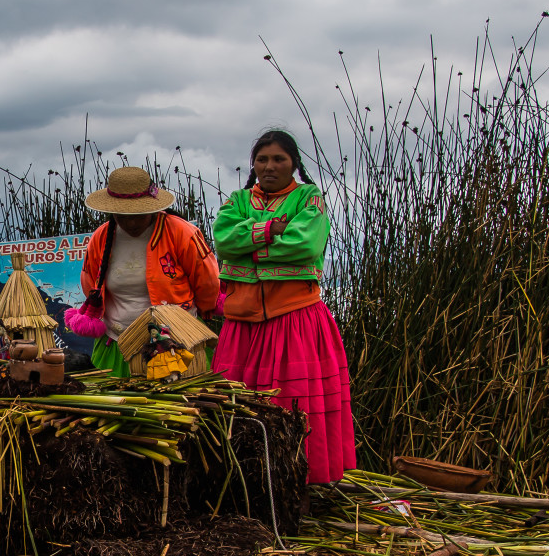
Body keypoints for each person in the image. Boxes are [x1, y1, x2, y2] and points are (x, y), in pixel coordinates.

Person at [211, 130, 356, 485]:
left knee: (293, 404)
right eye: (262, 159)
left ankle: (297, 481)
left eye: (279, 159)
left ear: (293, 163)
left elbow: (305, 245)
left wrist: (250, 245)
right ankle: (244, 484)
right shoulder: (238, 199)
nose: (270, 166)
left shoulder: (309, 198)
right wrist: (271, 230)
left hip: (293, 319)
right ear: (253, 165)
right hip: (242, 324)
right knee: (237, 405)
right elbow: (224, 241)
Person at [67, 166, 219, 376]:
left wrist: (200, 313)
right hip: (118, 342)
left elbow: (207, 283)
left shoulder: (182, 233)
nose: (131, 222)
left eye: (138, 215)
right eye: (123, 215)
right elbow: (90, 282)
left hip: (174, 343)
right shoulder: (101, 238)